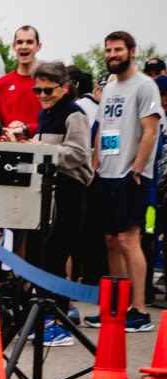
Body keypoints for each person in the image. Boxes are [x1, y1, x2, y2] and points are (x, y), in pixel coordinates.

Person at [83, 31, 164, 332]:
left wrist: (137, 170)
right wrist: (94, 165)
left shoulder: (145, 86)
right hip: (106, 173)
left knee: (130, 240)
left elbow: (150, 132)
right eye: (108, 50)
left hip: (131, 175)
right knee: (111, 241)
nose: (112, 54)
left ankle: (140, 311)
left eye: (117, 49)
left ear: (132, 51)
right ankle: (115, 308)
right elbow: (103, 128)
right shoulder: (110, 86)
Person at [29, 61, 94, 346]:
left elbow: (79, 155)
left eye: (48, 89)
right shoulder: (47, 113)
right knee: (45, 254)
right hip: (47, 192)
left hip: (70, 190)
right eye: (37, 89)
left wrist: (44, 151)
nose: (42, 94)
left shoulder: (74, 114)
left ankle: (61, 319)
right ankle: (48, 315)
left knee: (56, 254)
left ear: (64, 88)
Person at [0, 26, 44, 138]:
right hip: (8, 150)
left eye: (29, 42)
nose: (24, 46)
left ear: (38, 47)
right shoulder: (0, 85)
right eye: (19, 42)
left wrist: (26, 129)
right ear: (14, 46)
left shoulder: (49, 85)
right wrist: (8, 131)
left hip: (40, 148)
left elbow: (56, 122)